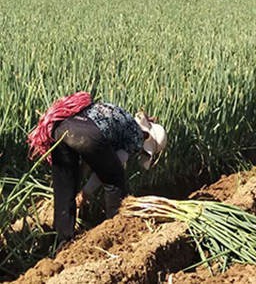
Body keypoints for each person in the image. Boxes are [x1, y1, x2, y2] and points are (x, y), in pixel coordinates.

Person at [27, 93, 167, 244]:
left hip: (62, 128)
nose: (140, 151)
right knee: (116, 180)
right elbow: (110, 171)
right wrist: (85, 194)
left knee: (65, 188)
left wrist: (78, 187)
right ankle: (115, 234)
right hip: (88, 134)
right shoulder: (137, 134)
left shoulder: (120, 116)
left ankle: (62, 242)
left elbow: (91, 160)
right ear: (147, 136)